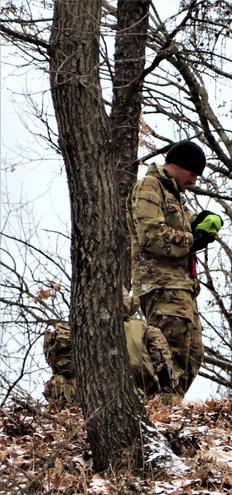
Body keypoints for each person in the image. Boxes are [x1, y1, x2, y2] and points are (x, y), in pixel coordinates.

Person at [128, 140, 222, 400]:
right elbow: (152, 235)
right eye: (192, 174)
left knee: (192, 354)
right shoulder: (150, 187)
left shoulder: (174, 196)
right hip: (162, 286)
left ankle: (168, 409)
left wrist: (203, 221)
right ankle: (161, 412)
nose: (193, 182)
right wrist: (194, 240)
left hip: (182, 288)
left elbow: (186, 224)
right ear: (179, 166)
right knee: (170, 354)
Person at [42, 300, 176, 408]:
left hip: (82, 399)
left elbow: (58, 365)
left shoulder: (76, 329)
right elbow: (163, 363)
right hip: (135, 397)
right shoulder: (144, 329)